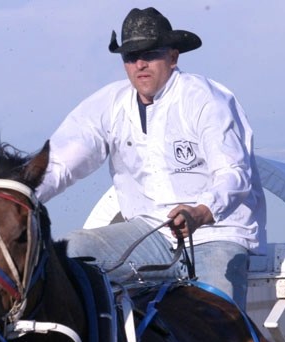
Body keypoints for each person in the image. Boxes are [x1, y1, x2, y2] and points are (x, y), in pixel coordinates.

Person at [36, 7, 265, 310]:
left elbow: (233, 174)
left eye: (150, 54)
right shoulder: (109, 104)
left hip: (217, 234)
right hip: (151, 234)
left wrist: (200, 211)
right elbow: (61, 163)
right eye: (130, 57)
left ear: (173, 57)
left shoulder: (205, 99)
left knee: (218, 323)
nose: (140, 64)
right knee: (72, 251)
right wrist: (19, 196)